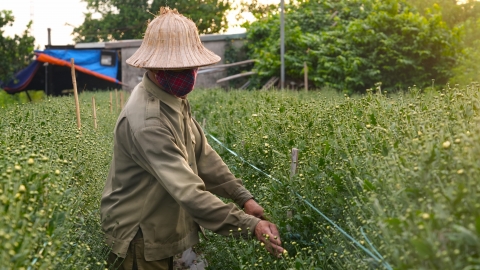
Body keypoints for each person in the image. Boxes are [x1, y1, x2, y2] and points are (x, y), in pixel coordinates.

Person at [100, 7, 284, 269]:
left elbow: (203, 155)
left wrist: (244, 198)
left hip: (165, 226)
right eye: (178, 67)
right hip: (140, 240)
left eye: (191, 65)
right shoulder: (148, 121)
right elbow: (188, 191)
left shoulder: (174, 97)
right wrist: (250, 226)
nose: (189, 73)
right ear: (155, 67)